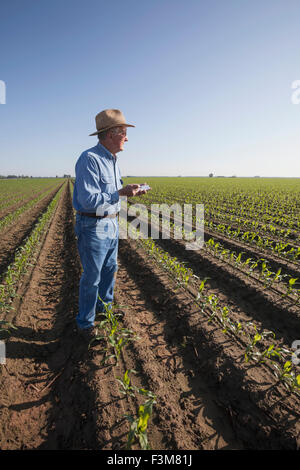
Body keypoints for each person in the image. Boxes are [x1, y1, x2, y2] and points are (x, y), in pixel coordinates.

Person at [73, 109, 147, 341]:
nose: (127, 137)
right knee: (92, 276)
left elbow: (112, 194)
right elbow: (88, 200)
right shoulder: (90, 159)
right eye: (123, 132)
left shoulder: (114, 161)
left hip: (111, 223)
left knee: (109, 270)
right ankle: (85, 324)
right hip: (92, 225)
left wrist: (129, 191)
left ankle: (104, 311)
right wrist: (120, 193)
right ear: (110, 133)